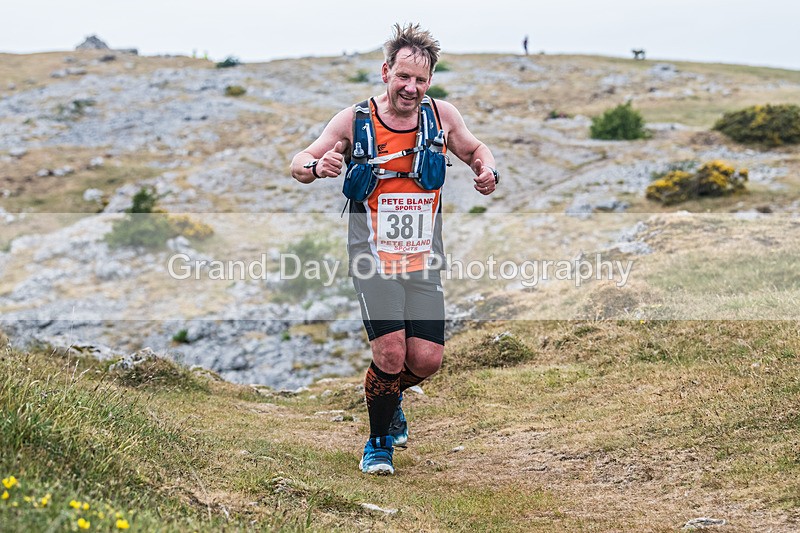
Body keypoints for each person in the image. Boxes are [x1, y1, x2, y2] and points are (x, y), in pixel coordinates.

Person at [290, 23, 498, 475]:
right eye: (403, 76)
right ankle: (378, 443)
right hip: (372, 255)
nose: (411, 87)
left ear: (430, 82)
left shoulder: (441, 117)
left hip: (424, 257)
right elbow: (298, 163)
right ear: (386, 71)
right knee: (389, 354)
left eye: (421, 80)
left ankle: (388, 397)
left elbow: (476, 149)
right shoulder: (354, 120)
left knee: (426, 359)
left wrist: (486, 172)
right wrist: (317, 165)